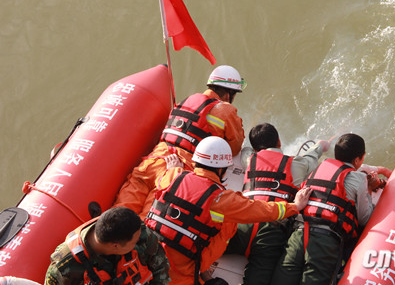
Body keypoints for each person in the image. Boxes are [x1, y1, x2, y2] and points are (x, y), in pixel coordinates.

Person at [144, 136, 313, 285]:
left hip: (146, 259)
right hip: (180, 274)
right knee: (228, 223)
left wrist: (174, 169)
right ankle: (203, 270)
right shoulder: (221, 199)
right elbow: (260, 210)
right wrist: (294, 206)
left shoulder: (172, 176)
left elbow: (170, 179)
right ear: (221, 168)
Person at [113, 65, 246, 219]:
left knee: (117, 217)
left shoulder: (186, 100)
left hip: (152, 162)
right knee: (147, 221)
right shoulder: (226, 110)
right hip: (178, 168)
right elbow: (235, 148)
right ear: (229, 94)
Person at [271, 133, 390, 285]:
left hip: (298, 235)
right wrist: (369, 190)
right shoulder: (358, 178)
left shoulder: (320, 166)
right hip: (325, 242)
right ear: (357, 160)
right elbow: (364, 219)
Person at [224, 123, 329, 285]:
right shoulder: (296, 165)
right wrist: (321, 145)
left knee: (208, 245)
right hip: (270, 234)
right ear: (278, 141)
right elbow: (311, 158)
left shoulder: (249, 160)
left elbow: (245, 151)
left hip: (241, 225)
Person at [45, 207, 170, 285]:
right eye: (133, 242)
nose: (140, 239)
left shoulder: (136, 231)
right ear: (116, 247)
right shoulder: (64, 268)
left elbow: (160, 265)